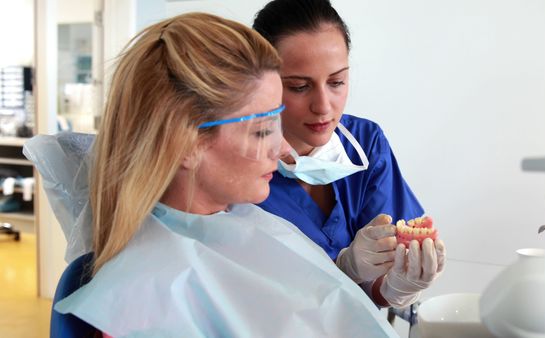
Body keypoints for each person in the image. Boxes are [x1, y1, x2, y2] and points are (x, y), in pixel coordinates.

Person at [27, 12, 398, 337]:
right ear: (186, 142)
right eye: (262, 130)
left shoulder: (245, 225)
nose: (284, 150)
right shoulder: (149, 299)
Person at [253, 0, 446, 308]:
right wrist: (342, 269)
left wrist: (398, 285)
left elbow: (376, 289)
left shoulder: (366, 144)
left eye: (337, 82)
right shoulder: (239, 170)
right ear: (261, 82)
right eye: (300, 87)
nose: (324, 106)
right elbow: (245, 299)